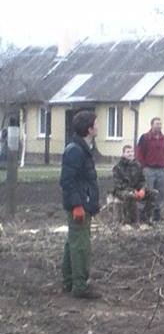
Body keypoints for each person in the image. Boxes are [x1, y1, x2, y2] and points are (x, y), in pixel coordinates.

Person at [60, 110, 101, 299]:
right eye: (96, 123)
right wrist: (78, 205)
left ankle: (69, 281)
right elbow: (67, 181)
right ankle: (80, 286)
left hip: (83, 204)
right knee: (81, 245)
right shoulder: (75, 150)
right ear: (89, 128)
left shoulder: (82, 148)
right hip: (79, 206)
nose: (98, 126)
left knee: (73, 242)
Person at [112, 144, 157, 226]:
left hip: (137, 190)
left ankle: (146, 218)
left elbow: (142, 180)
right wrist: (133, 191)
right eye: (127, 152)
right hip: (122, 191)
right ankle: (128, 221)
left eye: (131, 151)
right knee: (130, 196)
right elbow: (119, 184)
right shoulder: (118, 167)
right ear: (123, 154)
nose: (130, 154)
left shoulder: (137, 165)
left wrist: (142, 189)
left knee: (153, 193)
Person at [136, 117, 164, 222]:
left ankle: (157, 216)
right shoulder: (145, 138)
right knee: (147, 193)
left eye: (160, 124)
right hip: (149, 169)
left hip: (161, 170)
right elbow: (139, 153)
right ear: (152, 125)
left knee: (160, 193)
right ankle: (144, 215)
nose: (159, 126)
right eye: (157, 124)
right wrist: (143, 166)